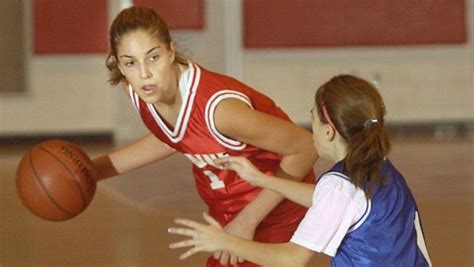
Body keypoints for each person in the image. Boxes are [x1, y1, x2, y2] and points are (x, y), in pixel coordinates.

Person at [91, 6, 318, 267]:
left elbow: (305, 148)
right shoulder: (140, 91)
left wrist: (247, 220)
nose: (144, 73)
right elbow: (173, 136)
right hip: (227, 209)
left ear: (170, 51)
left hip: (274, 208)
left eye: (153, 57)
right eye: (130, 62)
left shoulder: (219, 110)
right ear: (119, 64)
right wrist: (91, 171)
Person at [168, 75, 433, 266]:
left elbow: (291, 259)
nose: (311, 129)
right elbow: (330, 200)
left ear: (329, 131)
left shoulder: (340, 187)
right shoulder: (377, 164)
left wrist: (224, 242)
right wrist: (262, 179)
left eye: (313, 118)